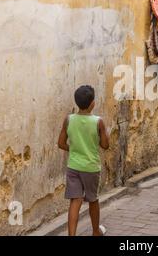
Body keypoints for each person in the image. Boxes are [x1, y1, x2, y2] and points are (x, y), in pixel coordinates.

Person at [58, 85, 110, 236]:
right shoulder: (98, 121)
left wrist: (74, 149)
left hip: (73, 166)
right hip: (91, 167)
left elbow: (61, 143)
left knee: (75, 201)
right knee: (93, 200)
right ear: (93, 103)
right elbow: (105, 145)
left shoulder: (69, 119)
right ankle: (95, 231)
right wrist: (102, 135)